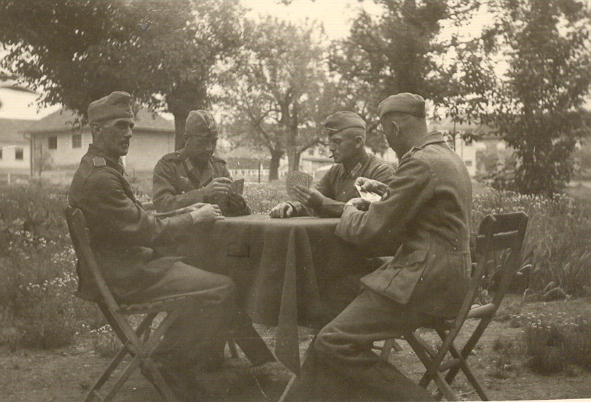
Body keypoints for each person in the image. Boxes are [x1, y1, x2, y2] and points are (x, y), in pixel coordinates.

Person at [285, 93, 473, 401]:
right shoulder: (446, 156)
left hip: (423, 283)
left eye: (386, 133)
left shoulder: (419, 163)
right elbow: (422, 212)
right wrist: (383, 197)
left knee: (332, 340)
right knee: (335, 308)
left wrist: (349, 209)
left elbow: (372, 233)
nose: (388, 141)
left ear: (395, 128)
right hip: (447, 279)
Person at [67, 92, 254, 400]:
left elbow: (138, 219)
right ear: (97, 129)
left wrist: (189, 210)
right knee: (223, 287)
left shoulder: (101, 168)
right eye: (120, 125)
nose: (129, 133)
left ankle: (177, 359)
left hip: (124, 268)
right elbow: (146, 230)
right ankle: (170, 363)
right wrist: (193, 219)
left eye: (130, 125)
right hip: (128, 277)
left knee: (204, 273)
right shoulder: (102, 179)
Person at [270, 111, 395, 219]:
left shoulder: (381, 171)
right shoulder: (335, 172)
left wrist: (323, 203)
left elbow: (372, 216)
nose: (331, 148)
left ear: (358, 142)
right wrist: (292, 206)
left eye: (337, 141)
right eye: (330, 142)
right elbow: (313, 200)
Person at [152, 110, 250, 216]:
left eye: (213, 142)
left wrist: (240, 206)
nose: (209, 148)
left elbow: (229, 211)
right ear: (187, 138)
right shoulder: (168, 165)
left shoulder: (219, 167)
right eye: (202, 142)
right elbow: (163, 206)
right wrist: (203, 193)